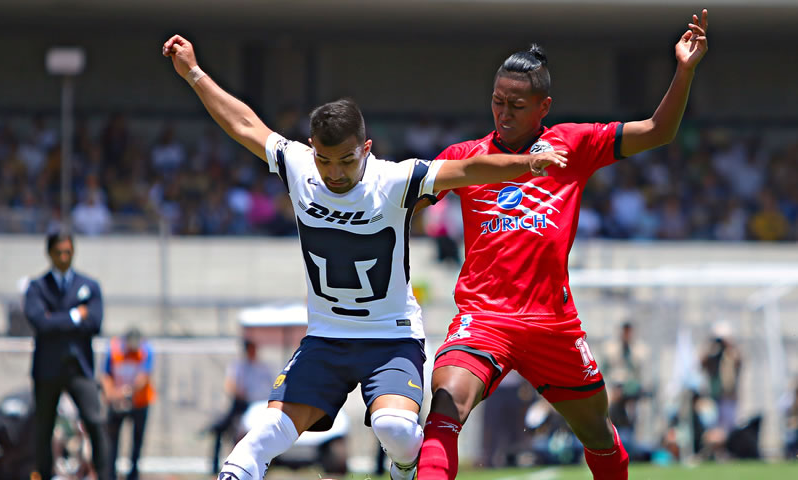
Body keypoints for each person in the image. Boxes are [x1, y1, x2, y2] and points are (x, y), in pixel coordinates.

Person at [162, 34, 567, 480]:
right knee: (258, 439)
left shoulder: (393, 181)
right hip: (326, 336)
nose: (334, 172)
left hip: (391, 337)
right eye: (324, 160)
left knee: (395, 427)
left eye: (346, 161)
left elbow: (467, 169)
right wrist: (195, 74)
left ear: (366, 149)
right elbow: (245, 126)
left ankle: (406, 464)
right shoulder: (299, 167)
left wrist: (526, 164)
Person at [416, 10, 709, 480]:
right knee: (445, 406)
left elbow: (659, 131)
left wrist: (684, 70)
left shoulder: (574, 144)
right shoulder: (465, 158)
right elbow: (405, 199)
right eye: (497, 102)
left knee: (598, 435)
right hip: (485, 317)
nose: (503, 113)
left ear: (543, 106)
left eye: (516, 105)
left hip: (554, 325)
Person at [24, 231, 110, 480]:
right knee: (43, 428)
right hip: (47, 369)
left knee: (95, 421)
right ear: (49, 253)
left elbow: (94, 322)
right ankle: (45, 474)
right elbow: (40, 323)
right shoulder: (37, 287)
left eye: (68, 252)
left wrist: (56, 320)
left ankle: (105, 475)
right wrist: (74, 316)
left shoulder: (89, 286)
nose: (64, 257)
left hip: (79, 367)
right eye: (59, 252)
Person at [209, 339, 275, 474]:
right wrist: (240, 393)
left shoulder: (262, 367)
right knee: (222, 428)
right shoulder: (238, 366)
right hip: (242, 404)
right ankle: (216, 466)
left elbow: (271, 385)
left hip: (259, 405)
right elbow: (230, 385)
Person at [101, 328, 155, 480]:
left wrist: (127, 392)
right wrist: (112, 395)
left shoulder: (145, 350)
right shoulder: (113, 349)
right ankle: (110, 474)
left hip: (139, 402)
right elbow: (106, 375)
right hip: (116, 401)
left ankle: (133, 475)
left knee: (137, 441)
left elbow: (144, 377)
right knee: (112, 442)